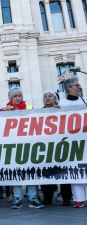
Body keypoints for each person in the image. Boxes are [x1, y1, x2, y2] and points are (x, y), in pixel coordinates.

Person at [0, 87, 44, 209]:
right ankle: (17, 198)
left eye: (19, 96)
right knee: (16, 173)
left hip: (28, 145)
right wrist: (3, 110)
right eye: (15, 96)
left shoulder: (29, 108)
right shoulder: (5, 109)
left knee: (30, 172)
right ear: (11, 98)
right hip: (13, 146)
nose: (18, 98)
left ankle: (33, 198)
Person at [58, 77, 87, 208]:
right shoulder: (62, 104)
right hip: (71, 142)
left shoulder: (85, 101)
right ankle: (79, 198)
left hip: (85, 140)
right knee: (75, 168)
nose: (79, 87)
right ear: (69, 88)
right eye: (77, 85)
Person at [40, 91, 59, 205]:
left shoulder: (62, 110)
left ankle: (66, 197)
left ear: (55, 99)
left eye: (50, 96)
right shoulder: (40, 112)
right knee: (46, 172)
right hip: (46, 146)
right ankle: (47, 198)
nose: (47, 99)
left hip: (59, 144)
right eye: (45, 97)